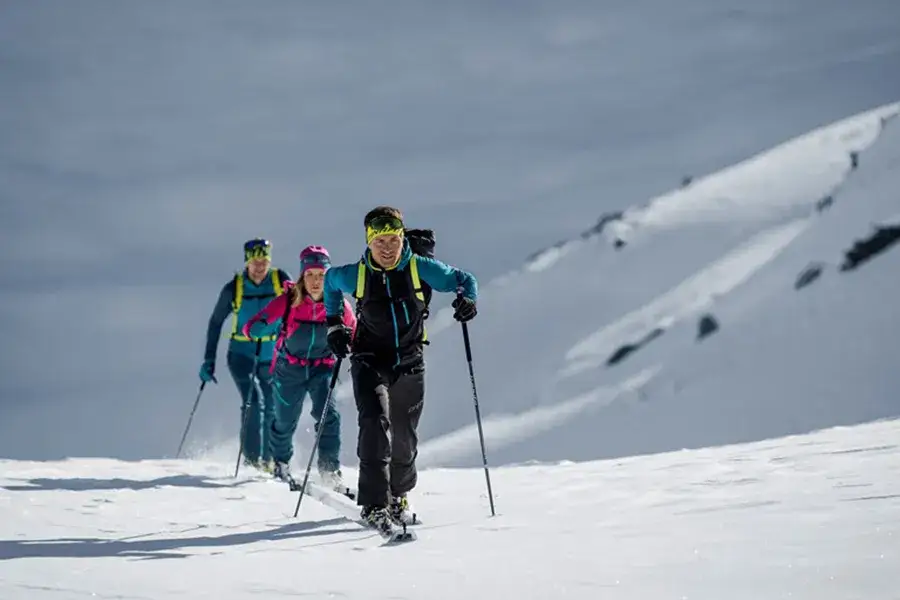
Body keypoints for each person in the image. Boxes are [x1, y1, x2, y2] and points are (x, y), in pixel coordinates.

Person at [322, 206, 478, 534]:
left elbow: (465, 280)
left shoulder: (421, 267)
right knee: (374, 422)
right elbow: (330, 281)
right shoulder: (356, 274)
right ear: (369, 241)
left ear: (402, 238)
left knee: (405, 435)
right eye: (380, 241)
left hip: (409, 360)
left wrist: (469, 301)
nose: (387, 248)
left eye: (393, 240)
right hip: (368, 358)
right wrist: (335, 324)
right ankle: (374, 504)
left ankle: (398, 496)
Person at [241, 245, 357, 490]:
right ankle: (281, 462)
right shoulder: (288, 301)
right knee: (285, 420)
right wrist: (255, 329)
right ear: (302, 275)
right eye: (310, 274)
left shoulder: (338, 304)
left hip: (322, 368)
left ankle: (329, 470)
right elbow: (253, 325)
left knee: (328, 417)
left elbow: (356, 332)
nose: (315, 281)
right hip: (289, 369)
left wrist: (355, 345)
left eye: (321, 275)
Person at [200, 238, 290, 471]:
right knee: (253, 400)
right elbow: (216, 322)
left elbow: (297, 308)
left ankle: (269, 460)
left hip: (271, 357)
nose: (260, 267)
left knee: (272, 404)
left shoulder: (280, 281)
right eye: (255, 262)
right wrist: (209, 360)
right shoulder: (234, 288)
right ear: (247, 262)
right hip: (241, 356)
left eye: (264, 262)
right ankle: (252, 461)